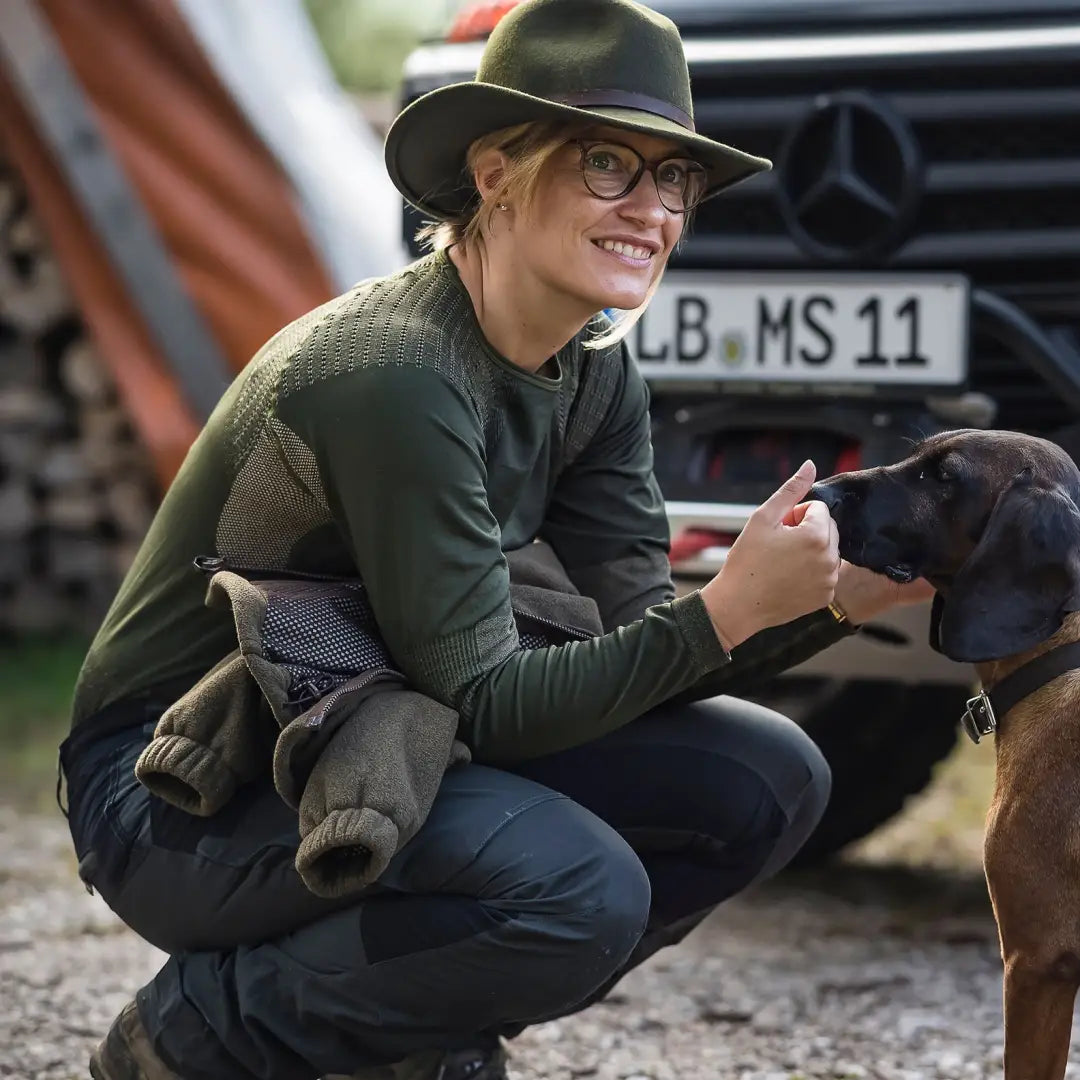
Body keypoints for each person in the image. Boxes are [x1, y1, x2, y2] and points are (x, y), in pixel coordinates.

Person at [63, 1, 933, 1078]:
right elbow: (490, 701)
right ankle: (197, 1036)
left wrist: (829, 598)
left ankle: (403, 1026)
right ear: (496, 172)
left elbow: (632, 649)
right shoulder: (393, 374)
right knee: (577, 885)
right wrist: (733, 608)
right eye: (609, 164)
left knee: (769, 780)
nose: (652, 209)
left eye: (676, 179)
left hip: (374, 736)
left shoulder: (595, 368)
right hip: (174, 787)